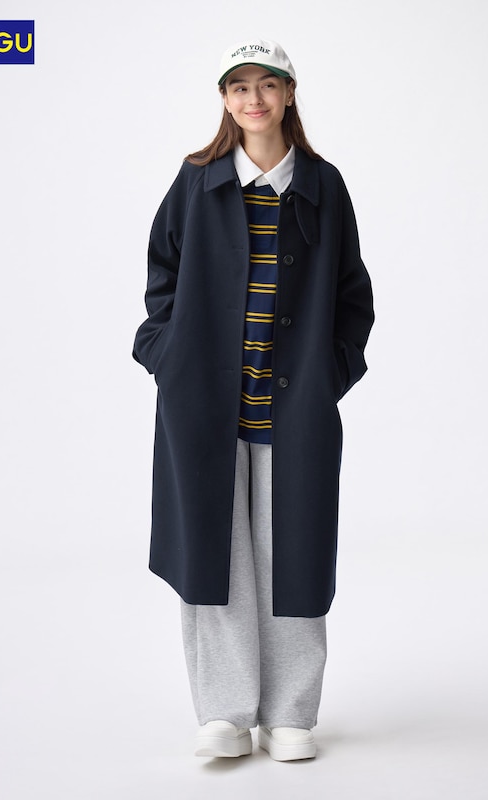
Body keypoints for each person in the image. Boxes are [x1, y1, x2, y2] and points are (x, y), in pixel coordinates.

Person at [133, 38, 374, 762]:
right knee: (216, 559)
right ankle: (224, 713)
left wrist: (331, 374)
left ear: (289, 94)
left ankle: (291, 714)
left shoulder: (324, 185)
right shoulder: (197, 180)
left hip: (294, 408)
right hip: (204, 405)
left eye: (267, 85)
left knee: (293, 554)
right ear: (225, 99)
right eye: (239, 87)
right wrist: (168, 358)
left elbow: (353, 295)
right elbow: (161, 276)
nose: (254, 99)